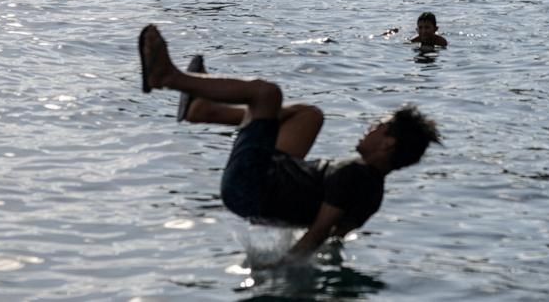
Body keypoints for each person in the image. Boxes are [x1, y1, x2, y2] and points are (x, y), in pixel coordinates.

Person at [138, 24, 441, 264]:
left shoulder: (354, 175)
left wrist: (283, 266)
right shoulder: (372, 194)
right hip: (266, 191)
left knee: (267, 94)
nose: (370, 128)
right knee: (309, 116)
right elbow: (333, 237)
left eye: (379, 126)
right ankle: (205, 111)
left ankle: (168, 77)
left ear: (387, 143)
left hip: (252, 185)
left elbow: (318, 233)